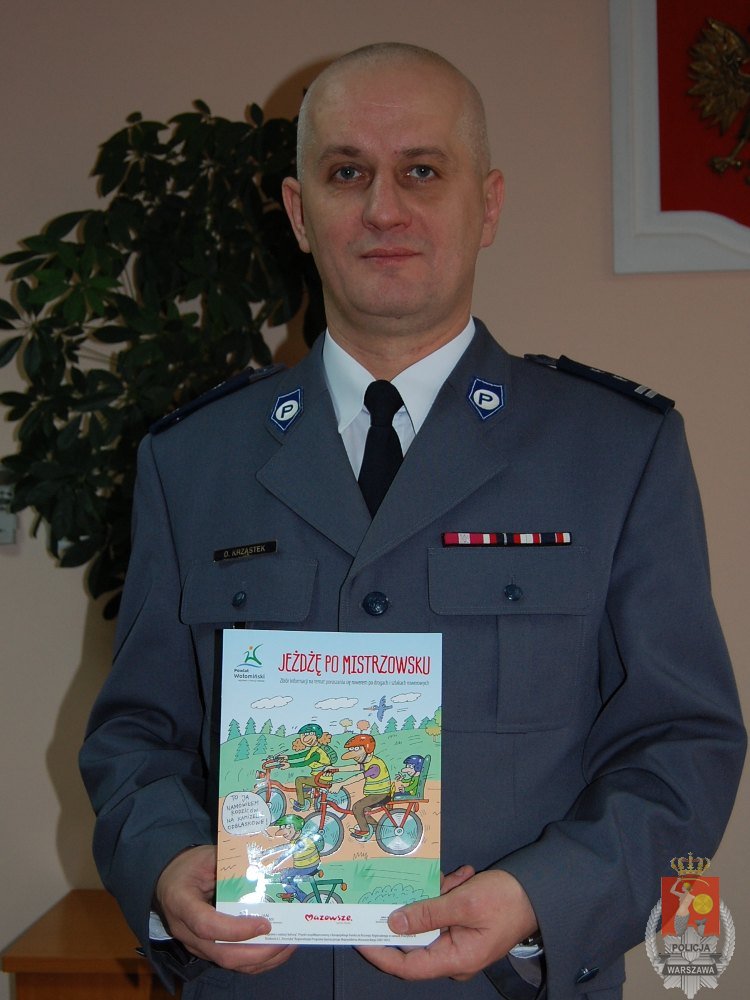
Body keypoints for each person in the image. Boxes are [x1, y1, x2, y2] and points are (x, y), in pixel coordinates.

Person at [79, 42, 746, 1000]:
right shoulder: (192, 461)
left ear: (489, 204)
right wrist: (166, 863)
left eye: (422, 172)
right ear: (299, 212)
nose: (384, 209)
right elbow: (136, 732)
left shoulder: (615, 451)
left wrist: (542, 898)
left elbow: (683, 741)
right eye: (347, 173)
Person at [338, 733, 392, 839]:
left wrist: (340, 783)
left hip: (380, 794)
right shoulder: (369, 761)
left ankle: (365, 831)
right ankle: (377, 829)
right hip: (376, 794)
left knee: (357, 807)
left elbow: (359, 776)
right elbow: (354, 767)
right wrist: (335, 769)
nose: (355, 757)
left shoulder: (375, 766)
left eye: (357, 752)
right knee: (364, 811)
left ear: (368, 750)